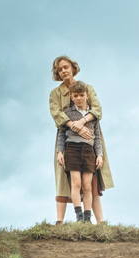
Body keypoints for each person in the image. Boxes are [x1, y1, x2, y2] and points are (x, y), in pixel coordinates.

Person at [49, 55, 114, 224]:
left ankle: (98, 222)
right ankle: (60, 221)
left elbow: (97, 109)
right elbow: (56, 114)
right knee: (65, 178)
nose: (63, 71)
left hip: (89, 134)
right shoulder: (55, 93)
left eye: (66, 67)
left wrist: (82, 122)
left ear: (72, 68)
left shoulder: (88, 88)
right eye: (59, 69)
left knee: (91, 181)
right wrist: (73, 125)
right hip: (67, 137)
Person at [56, 81, 103, 223]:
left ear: (87, 95)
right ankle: (79, 216)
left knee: (87, 185)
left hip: (89, 151)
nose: (79, 98)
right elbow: (61, 134)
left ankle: (88, 218)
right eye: (75, 96)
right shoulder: (67, 113)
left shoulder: (92, 115)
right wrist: (60, 151)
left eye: (81, 95)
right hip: (72, 149)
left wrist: (99, 154)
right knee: (76, 183)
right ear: (71, 97)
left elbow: (98, 137)